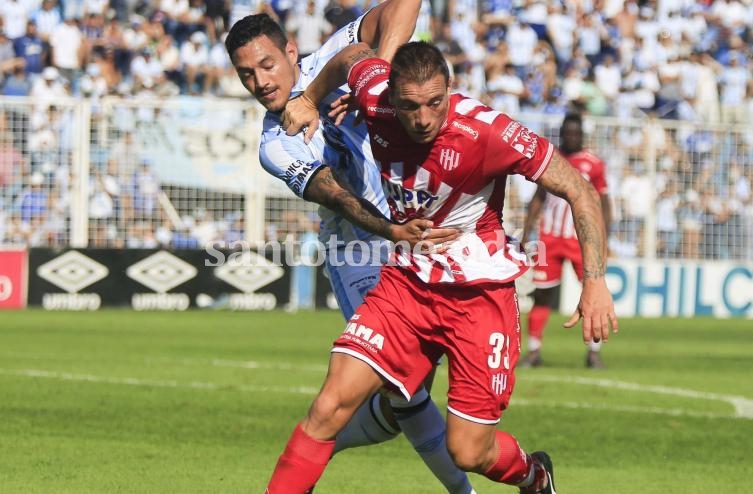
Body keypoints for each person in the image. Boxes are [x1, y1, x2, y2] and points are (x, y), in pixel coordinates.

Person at [272, 41, 618, 493]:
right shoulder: (374, 93)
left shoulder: (489, 131)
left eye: (435, 102)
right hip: (407, 285)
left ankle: (534, 476)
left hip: (479, 295)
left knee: (468, 451)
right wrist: (309, 98)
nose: (422, 117)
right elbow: (353, 53)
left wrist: (594, 282)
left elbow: (580, 190)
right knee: (328, 408)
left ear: (449, 89)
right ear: (390, 95)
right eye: (410, 105)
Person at [225, 7, 475, 494]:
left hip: (420, 228)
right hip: (359, 251)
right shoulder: (274, 145)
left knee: (408, 383)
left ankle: (326, 440)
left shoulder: (324, 60)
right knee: (406, 388)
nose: (260, 81)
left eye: (268, 65)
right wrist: (392, 230)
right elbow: (335, 194)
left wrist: (373, 91)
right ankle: (461, 490)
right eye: (246, 74)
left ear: (292, 52)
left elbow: (381, 28)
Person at [521, 112, 612, 369]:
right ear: (561, 133)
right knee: (542, 295)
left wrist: (605, 237)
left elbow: (604, 202)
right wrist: (528, 231)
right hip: (549, 239)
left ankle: (594, 351)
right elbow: (538, 197)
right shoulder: (552, 159)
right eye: (567, 133)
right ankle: (534, 350)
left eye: (575, 133)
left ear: (582, 134)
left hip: (580, 240)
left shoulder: (593, 164)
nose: (571, 137)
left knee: (594, 291)